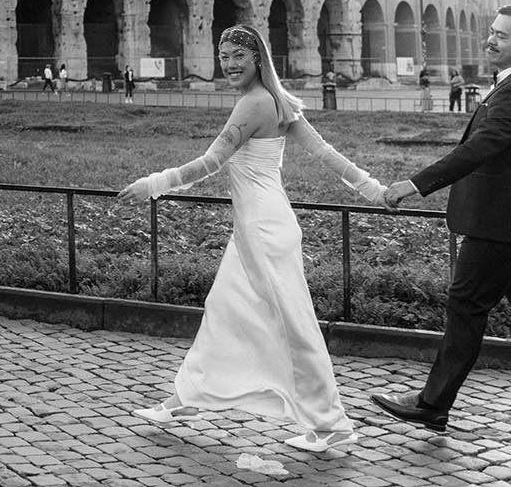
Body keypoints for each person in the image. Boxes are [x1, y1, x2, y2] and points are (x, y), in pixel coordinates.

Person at [122, 24, 385, 452]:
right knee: (224, 310)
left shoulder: (255, 104)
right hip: (259, 224)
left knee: (292, 327)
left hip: (263, 228)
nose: (229, 64)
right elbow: (327, 155)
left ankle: (330, 422)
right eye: (224, 57)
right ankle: (186, 399)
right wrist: (373, 189)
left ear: (258, 58)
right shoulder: (278, 102)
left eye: (238, 57)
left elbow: (210, 163)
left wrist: (153, 183)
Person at [376, 5, 511, 439]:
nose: (490, 40)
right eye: (491, 32)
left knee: (466, 308)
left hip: (499, 225)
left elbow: (480, 148)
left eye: (502, 35)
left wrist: (414, 184)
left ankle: (432, 404)